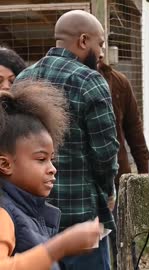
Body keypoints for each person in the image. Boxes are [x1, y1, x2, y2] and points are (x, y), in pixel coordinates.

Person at [15, 10, 119, 270]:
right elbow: (105, 153)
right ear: (83, 41)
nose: (103, 52)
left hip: (32, 220)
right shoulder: (90, 81)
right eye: (101, 43)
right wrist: (108, 191)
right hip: (80, 220)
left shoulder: (23, 79)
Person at [0, 81, 103, 270]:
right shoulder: (3, 213)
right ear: (5, 164)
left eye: (51, 159)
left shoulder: (28, 209)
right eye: (41, 159)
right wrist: (60, 246)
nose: (52, 168)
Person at [98, 58, 149, 269]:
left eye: (102, 45)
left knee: (123, 239)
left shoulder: (118, 82)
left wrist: (144, 173)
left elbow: (134, 130)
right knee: (95, 243)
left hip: (118, 178)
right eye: (96, 44)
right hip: (82, 183)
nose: (100, 53)